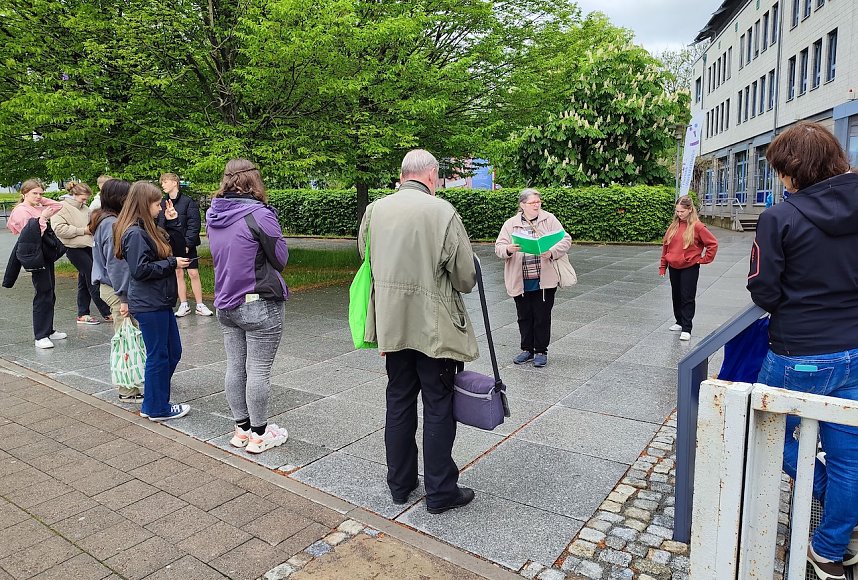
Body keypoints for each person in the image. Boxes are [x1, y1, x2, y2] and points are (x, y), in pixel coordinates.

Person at [748, 121, 858, 579]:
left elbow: (764, 290)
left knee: (767, 430)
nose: (780, 180)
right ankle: (830, 547)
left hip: (799, 351)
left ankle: (830, 496)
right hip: (854, 350)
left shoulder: (780, 217)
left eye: (781, 171)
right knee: (850, 454)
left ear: (794, 170)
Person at [358, 149, 477, 514]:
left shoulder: (375, 210)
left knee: (398, 401)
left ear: (403, 175)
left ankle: (400, 484)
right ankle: (440, 491)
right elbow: (465, 278)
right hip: (434, 327)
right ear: (431, 176)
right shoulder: (443, 212)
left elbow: (366, 258)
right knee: (438, 405)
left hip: (392, 324)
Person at [206, 159, 289, 454]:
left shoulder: (213, 213)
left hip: (225, 302)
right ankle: (260, 435)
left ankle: (241, 430)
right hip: (258, 303)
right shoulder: (260, 214)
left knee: (235, 366)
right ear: (254, 181)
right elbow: (280, 258)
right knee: (259, 370)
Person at [115, 181, 191, 421]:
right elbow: (140, 270)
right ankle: (156, 406)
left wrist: (173, 223)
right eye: (157, 204)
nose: (160, 208)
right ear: (144, 204)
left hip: (159, 300)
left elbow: (175, 248)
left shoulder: (147, 228)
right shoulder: (135, 233)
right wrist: (171, 264)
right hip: (150, 303)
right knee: (159, 355)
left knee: (172, 352)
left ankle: (154, 401)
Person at [494, 188, 572, 367]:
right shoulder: (511, 224)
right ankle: (527, 350)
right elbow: (499, 247)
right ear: (522, 205)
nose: (537, 205)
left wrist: (551, 252)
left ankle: (541, 351)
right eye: (532, 202)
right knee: (524, 316)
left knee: (542, 316)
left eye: (538, 202)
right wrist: (508, 249)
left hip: (545, 279)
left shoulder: (549, 219)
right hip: (520, 279)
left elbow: (565, 239)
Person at [90, 179, 143, 402]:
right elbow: (117, 265)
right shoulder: (112, 224)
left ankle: (134, 383)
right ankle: (128, 390)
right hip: (116, 289)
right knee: (126, 339)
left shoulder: (102, 219)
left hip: (109, 287)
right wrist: (124, 298)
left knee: (126, 336)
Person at [5, 179, 67, 349]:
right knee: (43, 292)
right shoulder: (21, 211)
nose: (38, 196)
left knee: (49, 291)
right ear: (24, 193)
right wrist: (43, 217)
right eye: (34, 193)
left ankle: (48, 329)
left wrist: (40, 200)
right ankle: (41, 335)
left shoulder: (36, 207)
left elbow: (58, 206)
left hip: (44, 252)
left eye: (41, 193)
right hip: (34, 254)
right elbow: (30, 235)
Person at [51, 181, 112, 325]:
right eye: (83, 198)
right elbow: (59, 229)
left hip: (88, 246)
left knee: (84, 281)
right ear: (74, 195)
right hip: (72, 247)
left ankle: (83, 313)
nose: (85, 202)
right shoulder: (61, 207)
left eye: (86, 199)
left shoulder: (84, 208)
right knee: (92, 278)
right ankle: (106, 312)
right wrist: (83, 230)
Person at [658, 196, 718, 341]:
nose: (679, 214)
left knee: (687, 297)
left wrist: (703, 259)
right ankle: (679, 321)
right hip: (673, 266)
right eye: (677, 211)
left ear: (690, 209)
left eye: (682, 211)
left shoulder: (698, 227)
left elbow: (713, 243)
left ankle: (686, 328)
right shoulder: (673, 226)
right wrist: (663, 266)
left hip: (689, 267)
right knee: (676, 295)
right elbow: (666, 247)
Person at [158, 173, 212, 317]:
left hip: (187, 244)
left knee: (193, 273)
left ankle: (200, 304)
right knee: (178, 273)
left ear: (174, 182)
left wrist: (187, 243)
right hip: (170, 245)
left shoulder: (188, 202)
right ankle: (184, 304)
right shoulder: (162, 203)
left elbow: (194, 224)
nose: (162, 185)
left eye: (165, 182)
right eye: (162, 182)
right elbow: (160, 224)